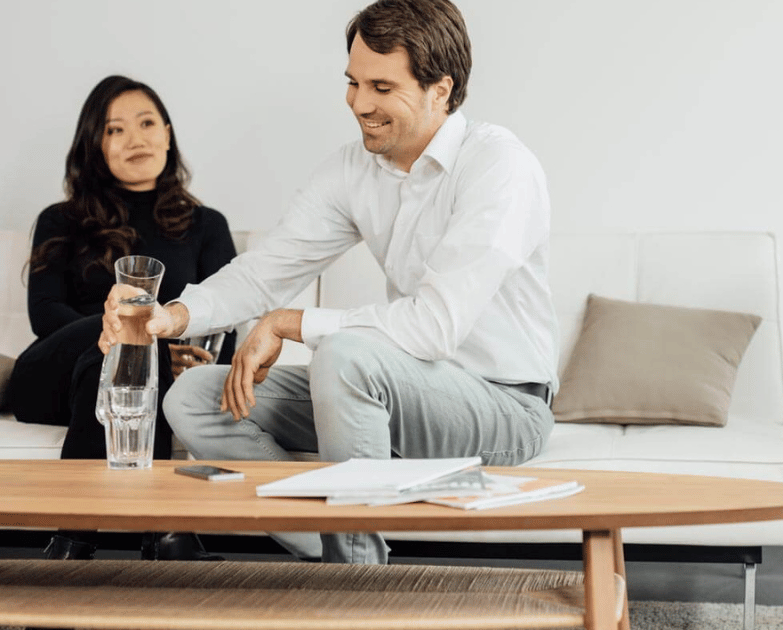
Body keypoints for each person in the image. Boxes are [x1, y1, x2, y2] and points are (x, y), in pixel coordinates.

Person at [101, 0, 557, 565]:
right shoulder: (354, 170)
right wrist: (171, 315)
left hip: (504, 406)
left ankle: (357, 583)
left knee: (342, 355)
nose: (359, 103)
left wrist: (292, 324)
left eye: (382, 87)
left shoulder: (499, 166)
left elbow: (434, 327)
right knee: (196, 397)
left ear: (441, 88)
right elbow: (266, 269)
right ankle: (338, 548)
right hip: (397, 392)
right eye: (353, 82)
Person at [7, 75, 237, 561]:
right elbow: (45, 316)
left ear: (168, 134)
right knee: (136, 326)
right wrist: (127, 325)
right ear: (95, 146)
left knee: (134, 347)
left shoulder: (207, 226)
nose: (136, 138)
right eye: (115, 130)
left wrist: (193, 364)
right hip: (51, 379)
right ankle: (168, 535)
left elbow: (227, 319)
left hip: (151, 382)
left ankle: (71, 544)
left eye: (147, 122)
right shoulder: (60, 220)